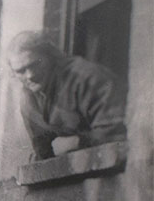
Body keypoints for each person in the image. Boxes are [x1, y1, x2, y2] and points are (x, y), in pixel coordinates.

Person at [7, 31, 126, 160]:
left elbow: (118, 134)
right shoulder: (28, 97)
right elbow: (43, 152)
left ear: (50, 56)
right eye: (20, 71)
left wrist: (77, 142)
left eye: (35, 64)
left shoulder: (87, 79)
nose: (30, 75)